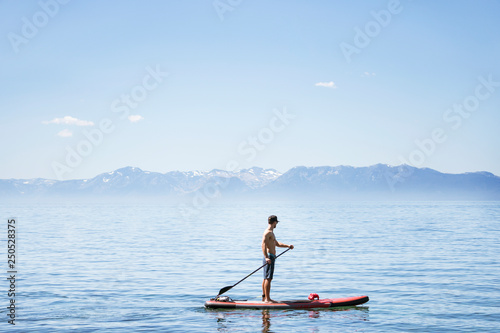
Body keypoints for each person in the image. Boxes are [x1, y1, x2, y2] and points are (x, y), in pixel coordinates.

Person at [262, 215, 294, 303]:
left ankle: (264, 298)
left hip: (270, 256)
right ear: (274, 222)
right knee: (268, 278)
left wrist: (288, 246)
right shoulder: (267, 232)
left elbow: (276, 243)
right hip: (269, 257)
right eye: (276, 222)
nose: (277, 224)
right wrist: (266, 257)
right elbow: (263, 245)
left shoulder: (271, 233)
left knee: (266, 278)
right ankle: (267, 299)